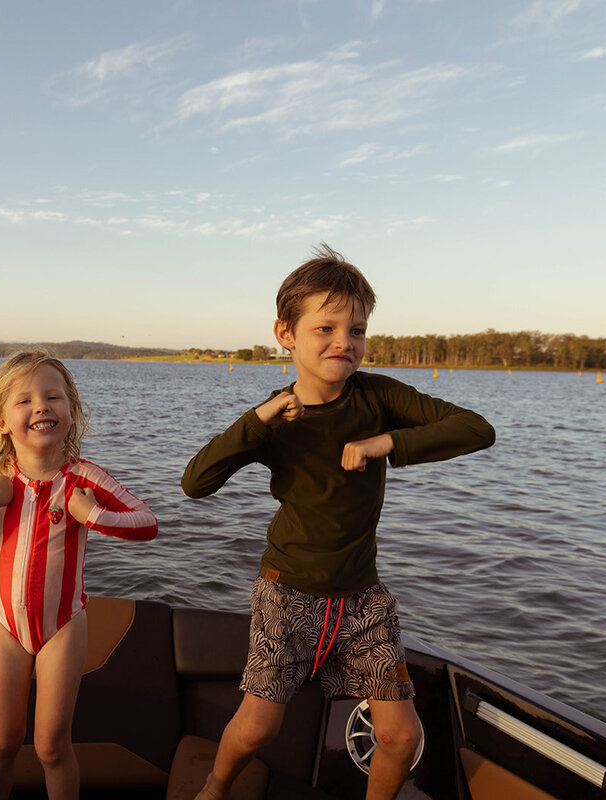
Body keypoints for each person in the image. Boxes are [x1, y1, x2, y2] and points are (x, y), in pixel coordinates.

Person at [181, 245, 495, 800]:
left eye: (357, 330)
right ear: (286, 333)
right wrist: (255, 421)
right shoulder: (275, 419)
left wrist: (386, 443)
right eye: (325, 327)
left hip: (364, 601)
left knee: (401, 737)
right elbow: (196, 482)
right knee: (257, 728)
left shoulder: (378, 396)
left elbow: (475, 428)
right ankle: (216, 783)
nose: (343, 343)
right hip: (287, 596)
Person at [0, 350, 158, 800]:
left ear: (71, 412)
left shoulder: (83, 478)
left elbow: (147, 522)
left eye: (54, 396)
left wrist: (89, 513)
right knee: (1, 741)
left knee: (52, 747)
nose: (41, 406)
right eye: (25, 400)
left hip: (63, 626)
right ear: (1, 421)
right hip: (6, 627)